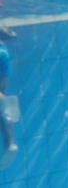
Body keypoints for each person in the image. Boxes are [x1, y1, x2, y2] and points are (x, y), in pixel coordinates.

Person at [0, 27, 20, 170]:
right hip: (3, 53)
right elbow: (12, 35)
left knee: (2, 101)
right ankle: (9, 143)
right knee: (2, 99)